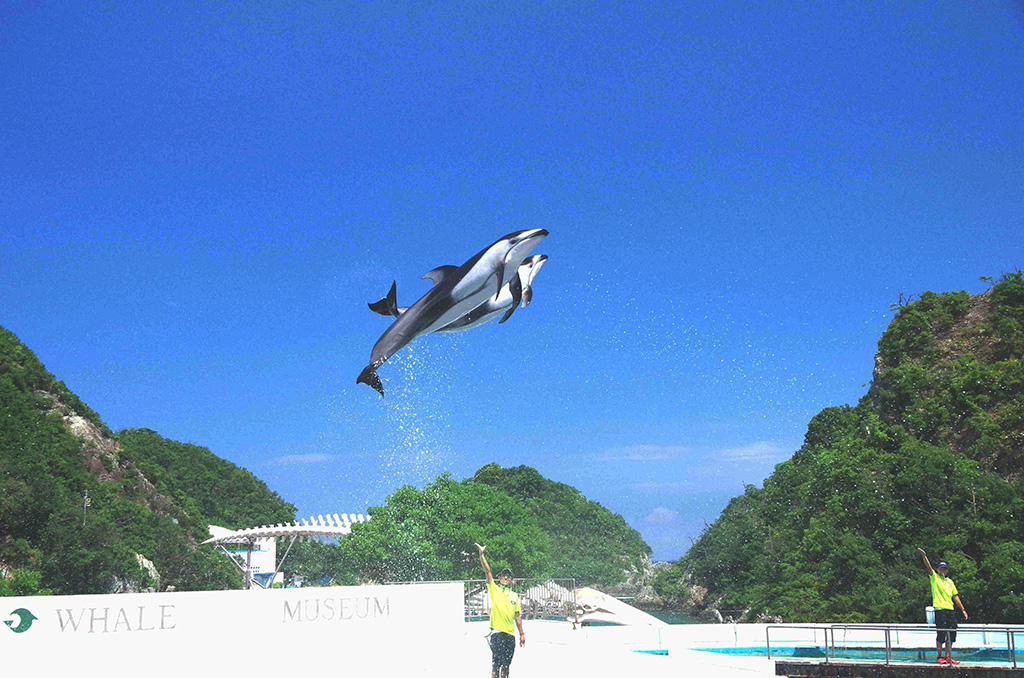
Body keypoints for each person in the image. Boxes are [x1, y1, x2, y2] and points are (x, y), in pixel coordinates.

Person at [475, 543, 525, 678]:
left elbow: (517, 616)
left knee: (507, 665)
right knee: (496, 664)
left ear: (511, 580)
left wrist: (521, 633)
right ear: (500, 577)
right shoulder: (494, 589)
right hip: (497, 633)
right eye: (504, 575)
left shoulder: (514, 595)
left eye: (509, 576)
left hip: (510, 634)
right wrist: (482, 554)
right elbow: (487, 571)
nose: (506, 578)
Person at [917, 547, 969, 665]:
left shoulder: (950, 581)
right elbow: (929, 568)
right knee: (941, 633)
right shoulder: (935, 578)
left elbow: (955, 596)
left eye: (945, 569)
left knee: (952, 633)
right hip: (940, 609)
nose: (943, 571)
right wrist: (924, 556)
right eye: (941, 568)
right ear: (938, 569)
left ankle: (948, 657)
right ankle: (939, 656)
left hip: (950, 609)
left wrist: (963, 610)